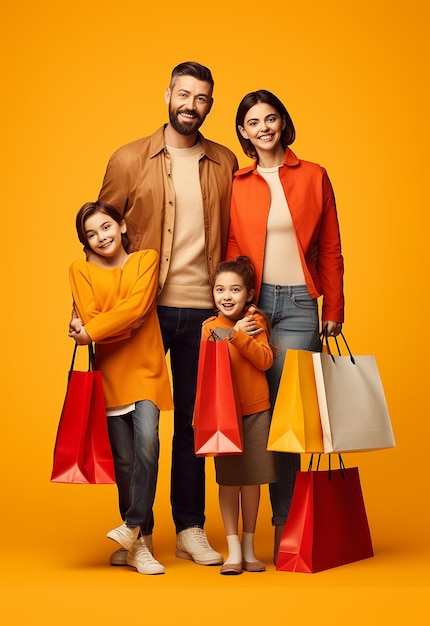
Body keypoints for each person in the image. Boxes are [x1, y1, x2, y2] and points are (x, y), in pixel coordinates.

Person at [96, 61, 239, 566]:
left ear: (209, 105)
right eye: (183, 94)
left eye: (201, 98)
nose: (190, 105)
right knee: (142, 427)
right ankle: (137, 534)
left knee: (195, 425)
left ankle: (190, 527)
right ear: (167, 95)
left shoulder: (225, 162)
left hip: (204, 316)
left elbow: (239, 239)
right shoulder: (129, 159)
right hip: (144, 315)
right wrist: (92, 311)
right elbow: (102, 237)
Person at [226, 90, 344, 563]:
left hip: (298, 305)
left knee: (291, 418)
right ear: (243, 133)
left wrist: (333, 307)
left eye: (270, 118)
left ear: (282, 122)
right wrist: (236, 308)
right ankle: (271, 529)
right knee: (261, 413)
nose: (263, 128)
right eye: (253, 122)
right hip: (256, 305)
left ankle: (286, 528)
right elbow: (233, 247)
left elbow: (331, 246)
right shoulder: (236, 183)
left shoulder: (314, 175)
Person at [68, 201, 173, 575]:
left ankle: (132, 530)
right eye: (91, 234)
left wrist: (93, 332)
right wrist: (113, 324)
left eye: (107, 227)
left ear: (122, 225)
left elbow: (137, 307)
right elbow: (105, 313)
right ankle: (139, 545)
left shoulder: (145, 259)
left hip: (146, 368)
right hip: (110, 374)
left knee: (148, 444)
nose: (101, 237)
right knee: (125, 463)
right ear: (85, 242)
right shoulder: (80, 270)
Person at [200, 257, 278, 575]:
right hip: (223, 416)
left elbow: (265, 361)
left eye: (234, 289)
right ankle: (233, 549)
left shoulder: (254, 321)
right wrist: (230, 333)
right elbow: (208, 369)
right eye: (220, 289)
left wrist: (239, 335)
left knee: (252, 481)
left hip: (257, 411)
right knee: (229, 482)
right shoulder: (209, 327)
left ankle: (248, 547)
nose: (227, 296)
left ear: (248, 293)